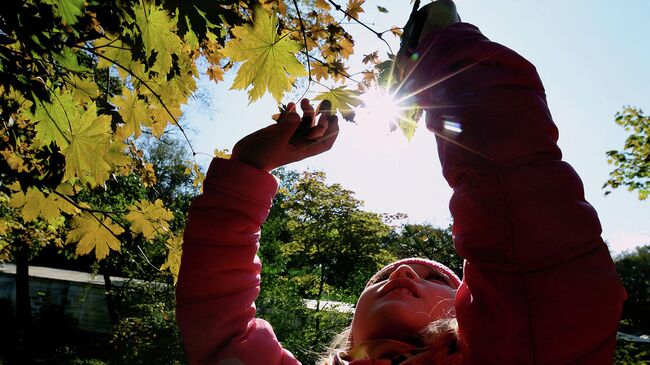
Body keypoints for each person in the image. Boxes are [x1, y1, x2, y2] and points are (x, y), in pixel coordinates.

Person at [176, 1, 626, 364]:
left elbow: (525, 243)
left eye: (436, 277)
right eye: (385, 276)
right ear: (348, 334)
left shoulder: (520, 348)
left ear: (473, 314)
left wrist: (245, 172)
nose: (406, 271)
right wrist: (453, 54)